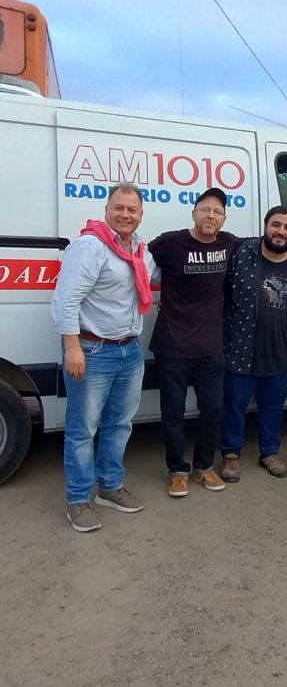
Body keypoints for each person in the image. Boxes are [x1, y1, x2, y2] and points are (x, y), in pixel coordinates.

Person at [51, 182, 156, 533]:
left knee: (120, 423)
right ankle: (79, 499)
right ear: (107, 209)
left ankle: (109, 487)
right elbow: (65, 300)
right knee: (83, 430)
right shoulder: (90, 246)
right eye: (119, 208)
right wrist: (72, 347)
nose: (125, 214)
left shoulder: (140, 249)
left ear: (141, 214)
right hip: (93, 351)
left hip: (129, 349)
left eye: (132, 209)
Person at [148, 188, 242, 498]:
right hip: (172, 345)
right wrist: (149, 298)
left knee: (213, 410)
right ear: (194, 213)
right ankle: (177, 471)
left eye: (216, 212)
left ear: (223, 219)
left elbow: (265, 248)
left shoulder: (229, 243)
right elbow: (135, 262)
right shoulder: (169, 243)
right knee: (173, 413)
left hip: (210, 348)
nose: (210, 216)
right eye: (205, 210)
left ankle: (204, 468)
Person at [219, 206, 287, 482]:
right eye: (276, 225)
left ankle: (269, 452)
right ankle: (231, 456)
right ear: (265, 226)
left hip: (278, 349)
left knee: (273, 406)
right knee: (233, 406)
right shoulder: (242, 253)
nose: (280, 231)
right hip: (240, 348)